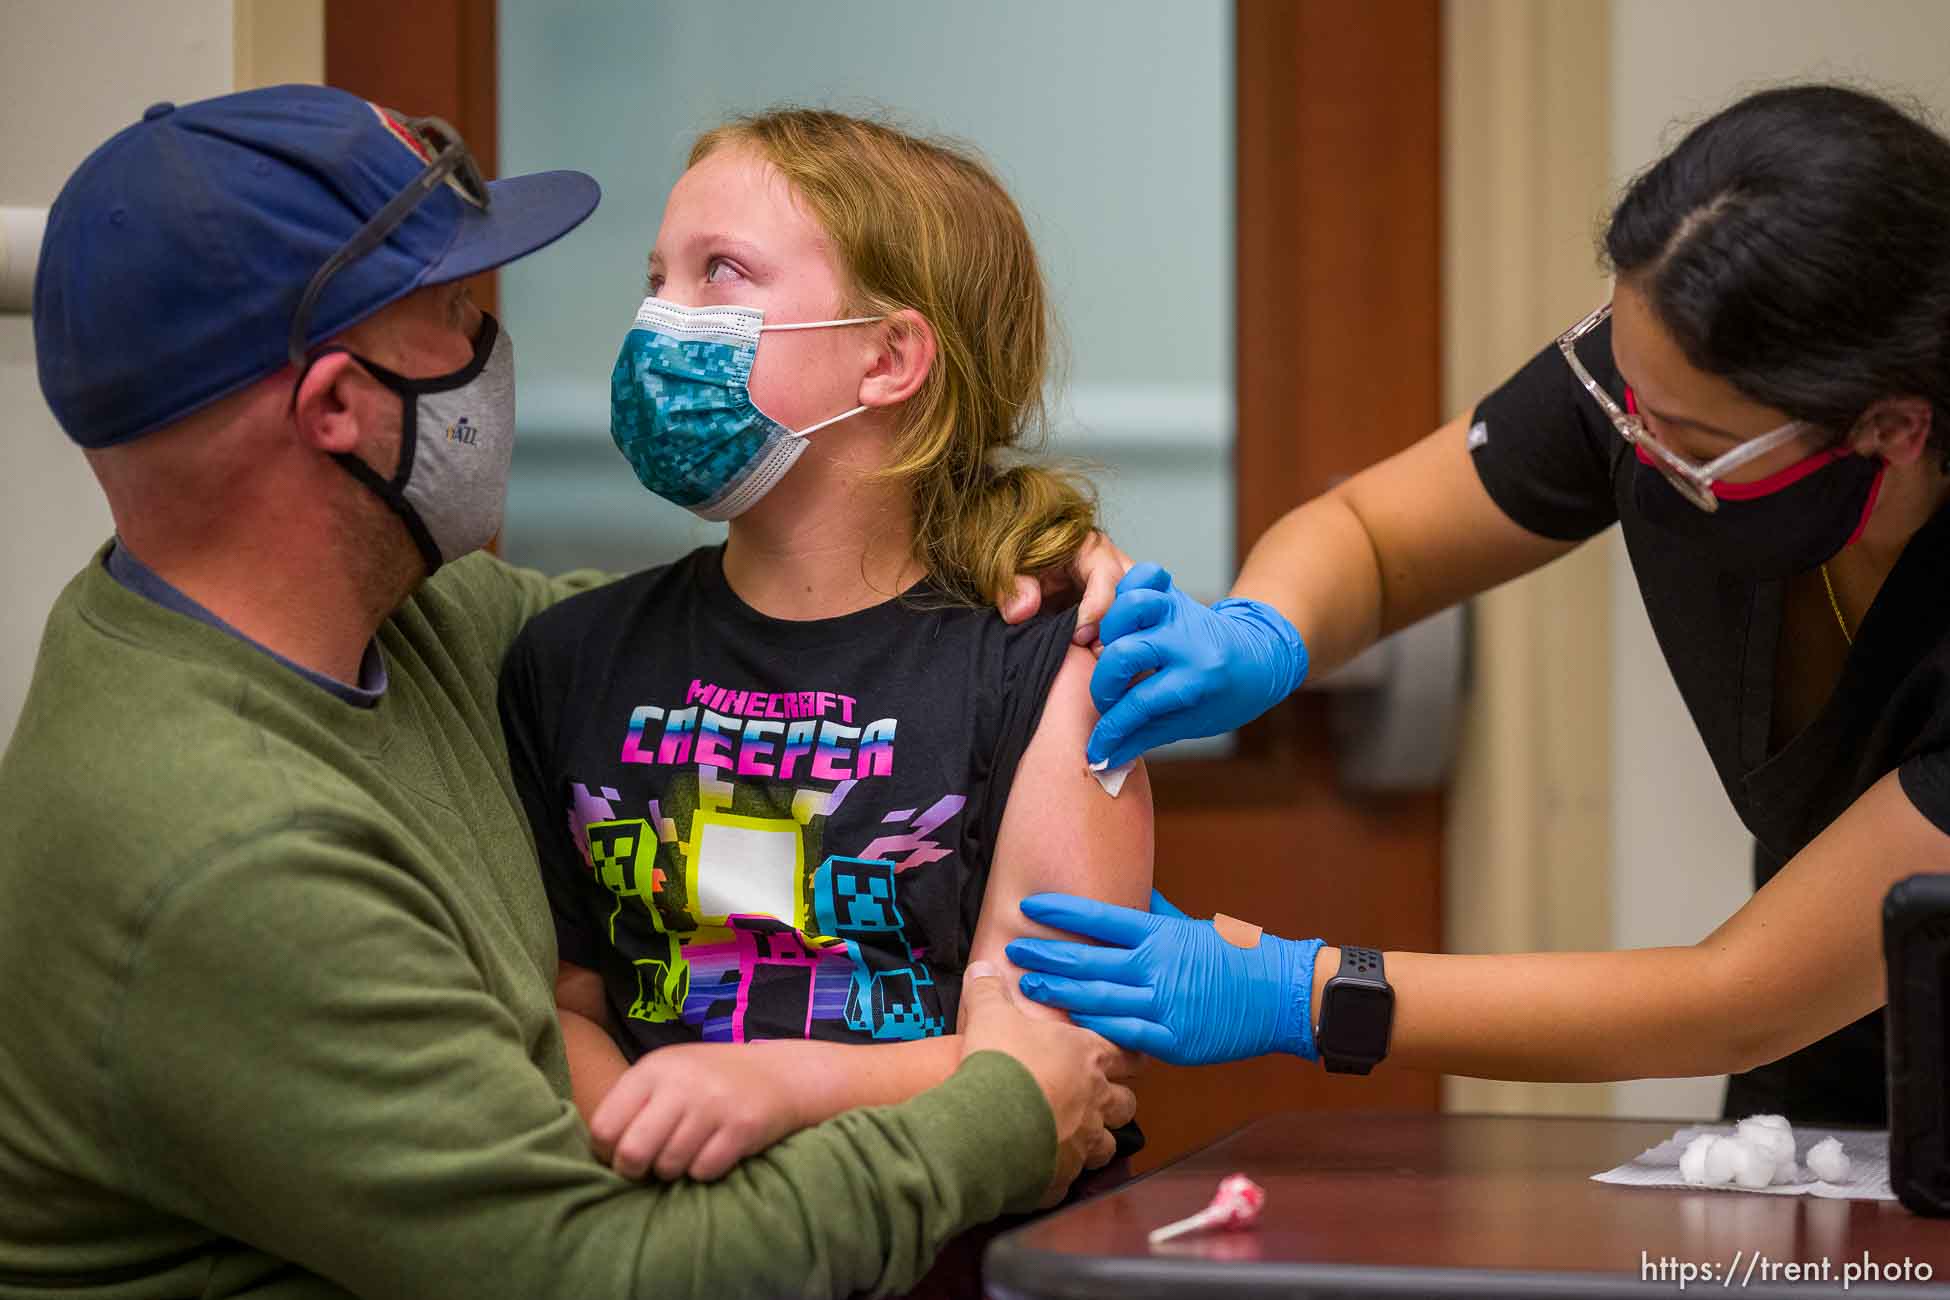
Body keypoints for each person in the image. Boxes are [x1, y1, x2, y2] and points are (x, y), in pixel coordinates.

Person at [0, 84, 1134, 1299]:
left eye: (720, 275)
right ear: (338, 408)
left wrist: (1025, 553)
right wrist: (1001, 1111)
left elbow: (783, 643)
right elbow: (606, 1274)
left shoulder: (422, 629)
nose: (499, 347)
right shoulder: (218, 850)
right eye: (450, 313)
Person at [1010, 82, 1950, 1124]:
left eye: (1680, 440)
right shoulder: (1658, 384)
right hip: (1821, 1062)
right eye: (1622, 401)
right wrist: (1260, 629)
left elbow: (1735, 997)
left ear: (1891, 430)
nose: (1631, 443)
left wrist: (1303, 991)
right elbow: (1371, 537)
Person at [497, 109, 1154, 1186]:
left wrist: (770, 1089)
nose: (664, 318)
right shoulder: (568, 659)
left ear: (889, 357)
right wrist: (640, 1145)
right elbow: (572, 1002)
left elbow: (1062, 1063)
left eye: (722, 273)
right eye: (658, 277)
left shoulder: (1047, 667)